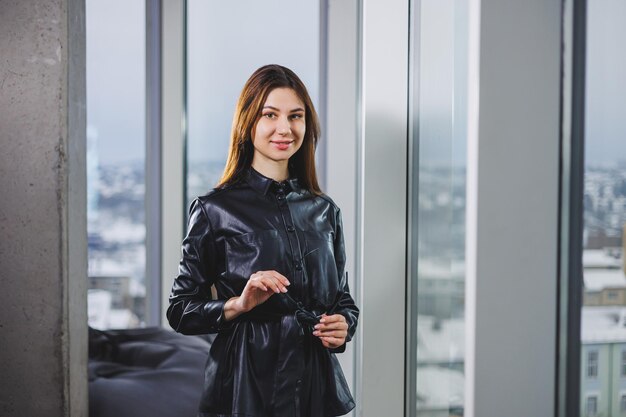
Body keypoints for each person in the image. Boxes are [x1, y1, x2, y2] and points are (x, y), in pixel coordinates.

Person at [167, 64, 359, 417]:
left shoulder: (324, 211)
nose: (284, 128)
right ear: (249, 122)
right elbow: (180, 310)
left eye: (295, 116)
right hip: (244, 389)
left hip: (315, 389)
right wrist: (239, 304)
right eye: (270, 114)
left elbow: (342, 298)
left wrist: (344, 324)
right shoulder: (214, 209)